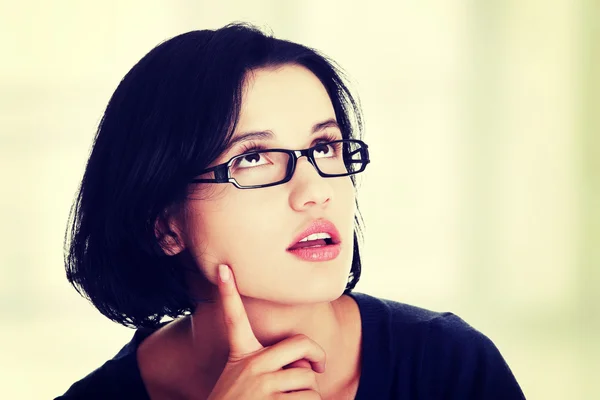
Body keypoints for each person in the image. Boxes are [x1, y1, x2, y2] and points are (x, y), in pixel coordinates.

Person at [56, 22, 525, 400]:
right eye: (253, 158)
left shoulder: (450, 366)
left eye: (325, 146)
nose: (315, 191)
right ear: (162, 224)